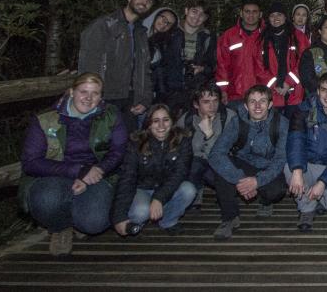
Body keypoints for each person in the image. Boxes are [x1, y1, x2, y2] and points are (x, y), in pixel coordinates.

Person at [19, 73, 129, 255]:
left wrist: (98, 170)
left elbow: (118, 152)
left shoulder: (112, 116)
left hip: (95, 175)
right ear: (71, 92)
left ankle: (78, 219)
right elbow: (31, 162)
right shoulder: (45, 119)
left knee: (95, 223)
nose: (88, 98)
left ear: (101, 96)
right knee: (45, 200)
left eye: (95, 93)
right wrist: (78, 171)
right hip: (54, 175)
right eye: (83, 92)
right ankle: (61, 227)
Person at [208, 85, 289, 241]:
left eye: (262, 101)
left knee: (277, 190)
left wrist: (257, 181)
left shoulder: (281, 123)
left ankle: (265, 201)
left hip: (267, 166)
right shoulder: (237, 122)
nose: (257, 106)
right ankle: (230, 218)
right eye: (252, 101)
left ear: (270, 104)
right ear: (246, 105)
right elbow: (216, 153)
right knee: (222, 168)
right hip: (243, 164)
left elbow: (280, 159)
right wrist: (240, 179)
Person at [78, 0, 154, 131]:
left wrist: (144, 99)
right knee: (100, 145)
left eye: (149, 1)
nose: (144, 2)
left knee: (126, 146)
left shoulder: (141, 32)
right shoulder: (104, 25)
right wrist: (92, 97)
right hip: (105, 98)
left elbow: (144, 69)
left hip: (130, 101)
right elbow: (89, 65)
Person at [111, 104, 196, 236]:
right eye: (156, 121)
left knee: (189, 189)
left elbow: (180, 173)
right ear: (149, 124)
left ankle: (168, 220)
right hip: (142, 188)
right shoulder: (136, 142)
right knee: (141, 212)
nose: (161, 125)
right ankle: (140, 219)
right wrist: (119, 217)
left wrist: (159, 198)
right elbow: (127, 177)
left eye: (166, 120)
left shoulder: (183, 140)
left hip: (167, 188)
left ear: (172, 121)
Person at [285, 72, 327, 232]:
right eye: (324, 90)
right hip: (305, 165)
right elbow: (295, 140)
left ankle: (319, 196)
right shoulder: (303, 110)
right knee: (288, 167)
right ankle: (307, 209)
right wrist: (297, 170)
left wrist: (323, 182)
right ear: (317, 91)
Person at [175, 82, 236, 209]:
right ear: (196, 104)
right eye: (206, 102)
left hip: (222, 165)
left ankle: (224, 194)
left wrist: (209, 134)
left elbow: (224, 152)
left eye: (215, 101)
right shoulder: (186, 120)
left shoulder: (229, 117)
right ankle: (194, 194)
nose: (212, 106)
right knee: (194, 163)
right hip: (196, 165)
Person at [159, 1, 217, 113]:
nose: (197, 17)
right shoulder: (170, 32)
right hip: (169, 89)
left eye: (202, 15)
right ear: (186, 11)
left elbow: (214, 65)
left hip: (195, 90)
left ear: (205, 18)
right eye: (194, 12)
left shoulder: (209, 37)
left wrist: (202, 69)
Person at [215, 1, 265, 106]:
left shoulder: (268, 36)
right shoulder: (229, 36)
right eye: (247, 11)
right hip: (234, 95)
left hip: (261, 96)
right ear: (241, 13)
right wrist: (222, 90)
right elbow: (222, 66)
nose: (251, 15)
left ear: (260, 14)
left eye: (254, 12)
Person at [259, 1, 305, 111]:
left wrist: (288, 83)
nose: (276, 18)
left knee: (294, 128)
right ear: (268, 18)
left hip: (295, 95)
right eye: (272, 15)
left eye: (279, 14)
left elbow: (304, 62)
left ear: (285, 17)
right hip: (271, 95)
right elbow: (258, 66)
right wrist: (275, 85)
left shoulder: (298, 37)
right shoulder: (262, 40)